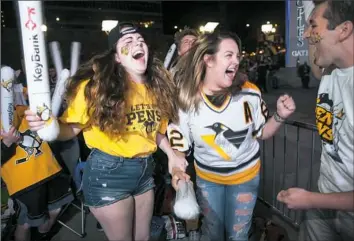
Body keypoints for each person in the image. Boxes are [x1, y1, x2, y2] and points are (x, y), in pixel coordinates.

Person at [25, 22, 186, 241]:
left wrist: (171, 154)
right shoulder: (95, 87)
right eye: (128, 41)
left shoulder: (156, 88)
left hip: (145, 170)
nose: (137, 43)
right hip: (109, 173)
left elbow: (155, 132)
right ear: (117, 56)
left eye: (140, 40)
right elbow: (71, 128)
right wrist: (49, 127)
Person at [168, 30, 296, 241]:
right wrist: (177, 170)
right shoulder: (186, 99)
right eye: (229, 55)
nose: (236, 61)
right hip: (208, 181)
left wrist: (280, 116)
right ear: (208, 60)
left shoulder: (250, 93)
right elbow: (179, 149)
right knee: (212, 233)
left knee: (239, 235)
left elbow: (262, 133)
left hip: (246, 177)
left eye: (238, 56)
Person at [277, 1, 354, 241]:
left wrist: (310, 200)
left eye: (313, 26)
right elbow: (317, 65)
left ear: (343, 30)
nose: (305, 34)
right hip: (323, 200)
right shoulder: (331, 70)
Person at [1, 105, 74, 241]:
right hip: (24, 183)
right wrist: (7, 142)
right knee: (26, 223)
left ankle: (42, 236)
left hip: (50, 170)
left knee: (56, 209)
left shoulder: (24, 107)